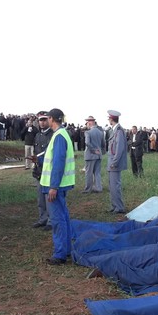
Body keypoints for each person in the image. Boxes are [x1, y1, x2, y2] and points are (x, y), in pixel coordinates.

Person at [40, 108, 75, 265]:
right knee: (63, 217)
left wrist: (53, 186)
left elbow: (59, 162)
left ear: (52, 119)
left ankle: (60, 254)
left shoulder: (59, 136)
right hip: (60, 185)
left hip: (55, 186)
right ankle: (66, 250)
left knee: (57, 219)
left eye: (47, 118)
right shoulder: (62, 134)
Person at [32, 111, 53, 230]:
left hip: (48, 170)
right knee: (40, 197)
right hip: (39, 170)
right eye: (40, 120)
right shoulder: (37, 135)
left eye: (44, 120)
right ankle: (42, 219)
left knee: (48, 198)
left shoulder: (52, 135)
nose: (42, 122)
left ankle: (50, 220)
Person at [106, 110, 127, 214]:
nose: (108, 120)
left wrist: (114, 162)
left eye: (109, 118)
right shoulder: (114, 130)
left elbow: (119, 149)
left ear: (111, 119)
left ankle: (119, 207)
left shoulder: (119, 131)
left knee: (115, 186)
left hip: (114, 163)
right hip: (112, 162)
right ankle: (114, 205)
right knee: (112, 186)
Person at [83, 116, 106, 193]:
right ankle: (98, 188)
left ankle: (88, 189)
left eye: (87, 122)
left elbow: (87, 143)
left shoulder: (88, 132)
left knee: (88, 173)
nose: (87, 124)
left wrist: (93, 150)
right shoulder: (100, 132)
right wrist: (101, 152)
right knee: (97, 173)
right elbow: (103, 144)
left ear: (90, 122)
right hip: (99, 155)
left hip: (90, 155)